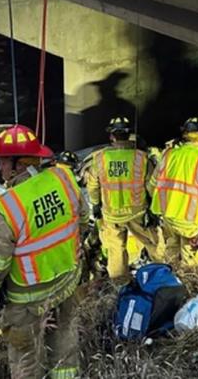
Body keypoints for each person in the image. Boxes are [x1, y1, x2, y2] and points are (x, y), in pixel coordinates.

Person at [0, 124, 86, 379]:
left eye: (3, 162)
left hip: (28, 296)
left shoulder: (7, 205)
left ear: (17, 165)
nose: (0, 168)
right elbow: (81, 219)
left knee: (25, 357)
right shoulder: (63, 177)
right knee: (65, 337)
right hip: (67, 280)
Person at [83, 116, 158, 284]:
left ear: (111, 136)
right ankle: (163, 276)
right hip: (137, 211)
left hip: (111, 213)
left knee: (115, 250)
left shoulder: (100, 158)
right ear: (129, 135)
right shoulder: (141, 158)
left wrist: (95, 205)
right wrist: (153, 209)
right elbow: (152, 186)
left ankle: (119, 285)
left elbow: (93, 186)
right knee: (154, 244)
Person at [148, 117, 198, 268]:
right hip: (192, 222)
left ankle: (171, 284)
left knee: (171, 252)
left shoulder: (168, 155)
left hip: (168, 216)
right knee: (191, 262)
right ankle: (188, 287)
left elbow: (152, 185)